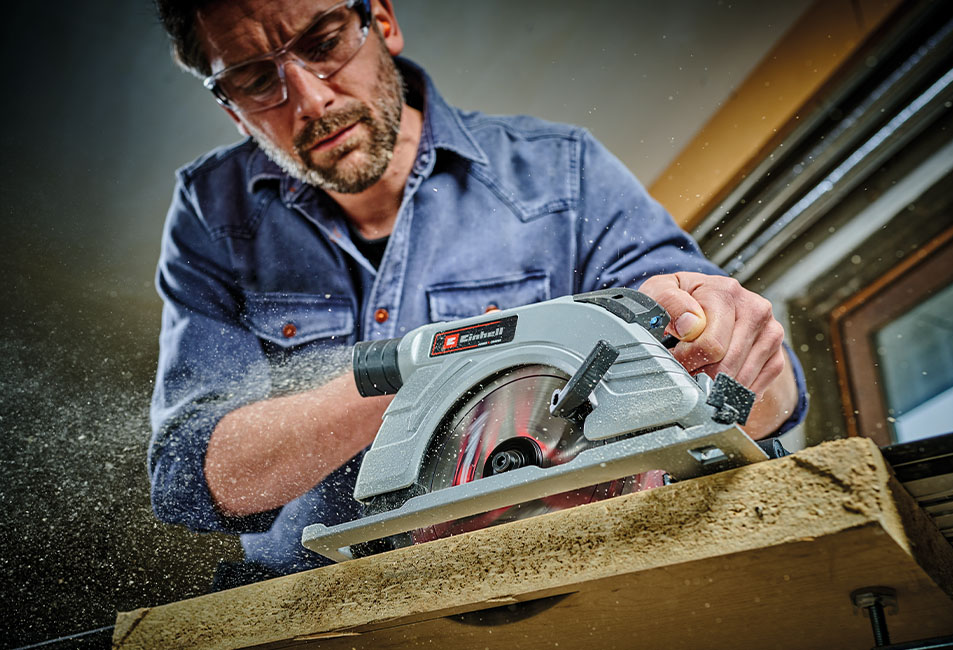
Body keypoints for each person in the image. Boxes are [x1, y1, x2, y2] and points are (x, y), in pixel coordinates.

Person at [150, 0, 807, 581]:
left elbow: (765, 401)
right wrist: (424, 380)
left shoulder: (562, 171)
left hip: (559, 578)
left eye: (324, 44)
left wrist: (722, 339)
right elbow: (191, 477)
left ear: (380, 19)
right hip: (315, 607)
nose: (311, 100)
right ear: (231, 108)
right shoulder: (212, 213)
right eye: (257, 79)